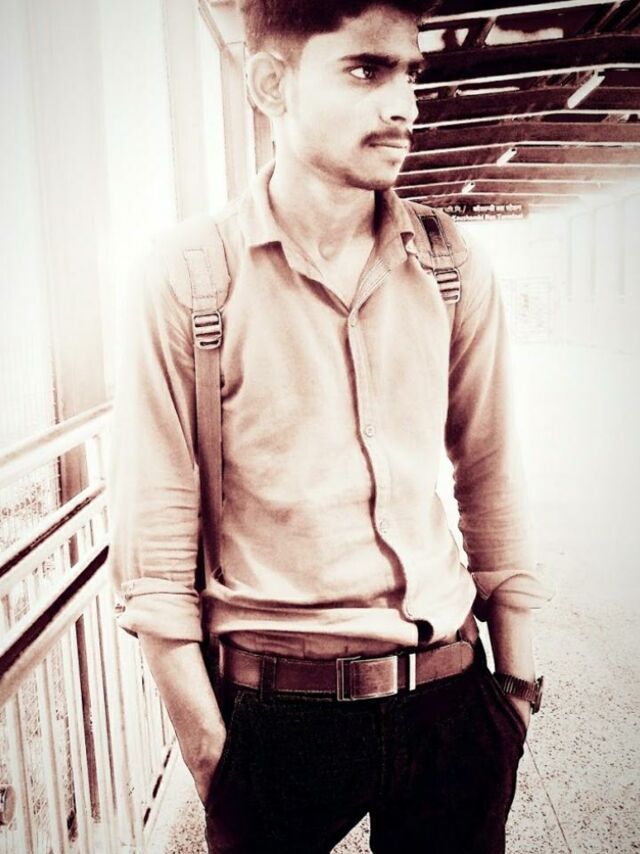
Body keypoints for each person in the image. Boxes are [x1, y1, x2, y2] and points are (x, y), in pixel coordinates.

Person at [108, 1, 553, 851]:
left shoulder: (451, 265)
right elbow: (153, 539)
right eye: (366, 69)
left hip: (452, 697)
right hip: (278, 717)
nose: (403, 105)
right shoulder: (190, 277)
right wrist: (209, 754)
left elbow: (490, 470)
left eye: (410, 73)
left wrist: (517, 691)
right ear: (270, 84)